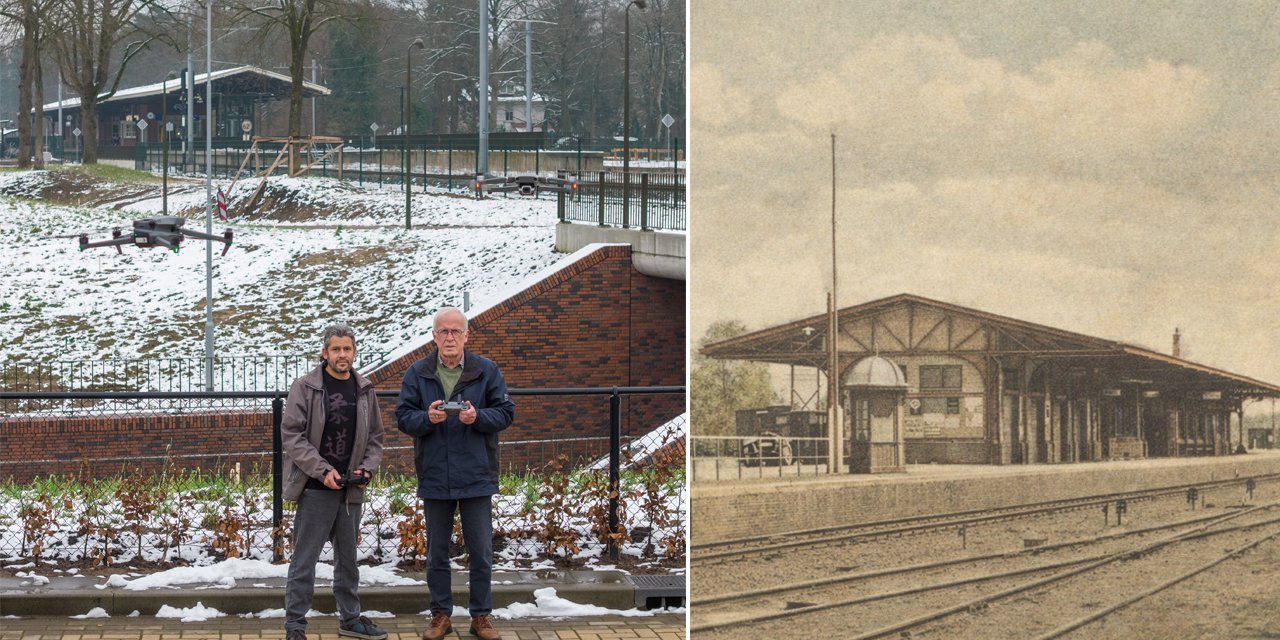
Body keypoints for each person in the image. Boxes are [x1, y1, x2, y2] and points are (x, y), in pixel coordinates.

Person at [396, 307, 515, 640]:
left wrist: (477, 417)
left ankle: (481, 617)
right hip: (435, 474)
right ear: (433, 336)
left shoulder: (486, 371)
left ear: (467, 335)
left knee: (481, 552)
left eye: (455, 331)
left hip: (476, 474)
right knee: (436, 553)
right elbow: (403, 417)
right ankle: (440, 615)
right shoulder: (417, 373)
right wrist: (426, 418)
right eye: (443, 331)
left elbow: (506, 413)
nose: (449, 337)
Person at [281, 323, 387, 640]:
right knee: (304, 561)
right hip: (316, 489)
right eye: (336, 349)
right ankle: (295, 626)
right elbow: (292, 436)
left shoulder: (365, 389)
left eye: (347, 349)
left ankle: (350, 619)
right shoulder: (306, 387)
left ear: (354, 352)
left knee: (348, 562)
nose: (342, 355)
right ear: (325, 353)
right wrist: (322, 470)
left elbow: (376, 438)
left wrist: (367, 469)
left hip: (351, 490)